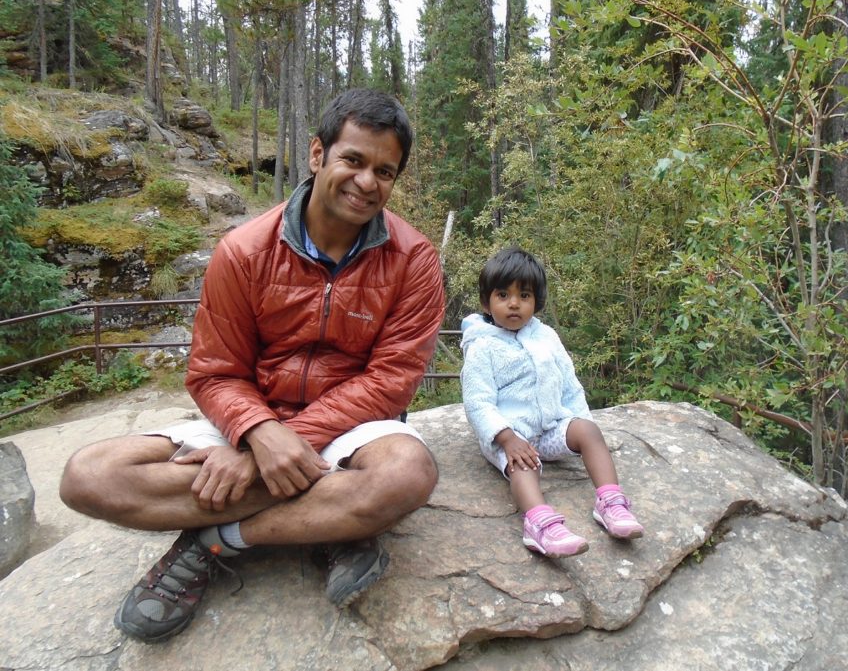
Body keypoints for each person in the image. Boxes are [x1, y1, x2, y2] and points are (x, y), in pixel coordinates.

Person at [59, 89, 446, 643]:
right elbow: (214, 371)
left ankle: (217, 539)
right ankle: (327, 522)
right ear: (318, 155)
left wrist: (276, 448)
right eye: (354, 160)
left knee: (407, 473)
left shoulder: (414, 261)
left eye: (384, 172)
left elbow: (390, 381)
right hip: (247, 415)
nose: (367, 182)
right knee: (87, 476)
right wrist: (257, 434)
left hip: (352, 428)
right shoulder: (243, 251)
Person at [460, 247, 643, 558]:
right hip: (510, 437)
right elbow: (477, 402)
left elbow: (569, 383)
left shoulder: (546, 337)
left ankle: (610, 502)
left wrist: (578, 420)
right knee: (523, 466)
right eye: (503, 295)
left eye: (524, 295)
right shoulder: (482, 347)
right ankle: (539, 523)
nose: (514, 303)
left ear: (537, 302)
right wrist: (507, 439)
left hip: (550, 430)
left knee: (588, 431)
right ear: (486, 302)